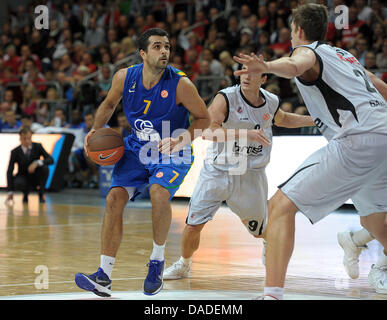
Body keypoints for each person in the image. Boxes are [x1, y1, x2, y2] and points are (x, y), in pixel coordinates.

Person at [234, 3, 387, 299]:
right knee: (374, 220)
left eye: (292, 29)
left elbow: (293, 66)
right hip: (384, 136)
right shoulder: (346, 55)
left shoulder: (307, 52)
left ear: (299, 30)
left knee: (279, 208)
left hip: (358, 140)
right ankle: (355, 243)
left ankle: (272, 294)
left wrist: (265, 66)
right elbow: (379, 84)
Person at [74, 28, 210, 297]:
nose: (164, 51)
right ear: (143, 53)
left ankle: (157, 263)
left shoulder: (181, 84)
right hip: (137, 148)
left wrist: (182, 138)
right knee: (114, 199)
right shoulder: (125, 77)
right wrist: (94, 130)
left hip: (172, 149)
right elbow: (109, 103)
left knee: (159, 193)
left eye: (167, 47)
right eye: (157, 46)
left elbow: (204, 119)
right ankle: (104, 275)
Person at [163, 65, 315, 280]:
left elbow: (282, 119)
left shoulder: (270, 101)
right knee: (193, 224)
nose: (246, 76)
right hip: (218, 171)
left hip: (250, 174)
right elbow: (207, 131)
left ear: (263, 78)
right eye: (243, 71)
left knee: (260, 230)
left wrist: (315, 119)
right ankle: (183, 264)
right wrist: (246, 135)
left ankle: (265, 241)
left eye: (252, 73)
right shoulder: (226, 98)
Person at [5, 126, 54, 204]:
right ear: (20, 138)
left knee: (45, 168)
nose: (27, 141)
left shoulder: (38, 146)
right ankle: (25, 194)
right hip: (23, 176)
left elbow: (51, 160)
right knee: (18, 182)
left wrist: (37, 162)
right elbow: (10, 170)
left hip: (36, 175)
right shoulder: (15, 151)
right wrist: (10, 191)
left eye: (29, 138)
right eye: (24, 138)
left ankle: (41, 193)